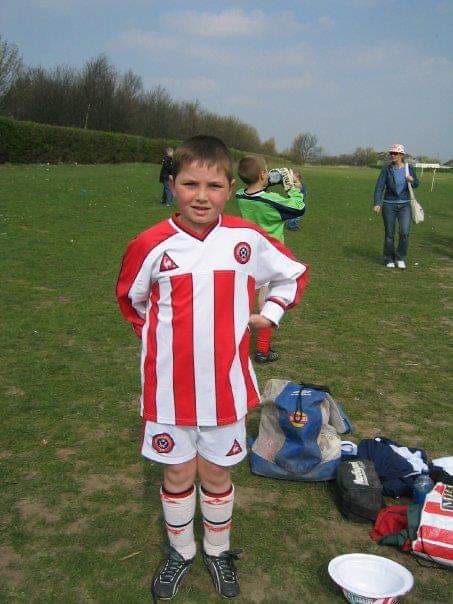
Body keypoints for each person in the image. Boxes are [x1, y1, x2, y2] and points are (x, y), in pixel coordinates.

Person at [116, 136, 309, 600]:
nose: (201, 196)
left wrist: (272, 311)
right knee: (178, 476)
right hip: (169, 394)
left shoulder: (245, 239)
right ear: (172, 184)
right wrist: (168, 342)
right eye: (189, 184)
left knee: (217, 477)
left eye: (214, 185)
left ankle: (217, 550)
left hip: (226, 389)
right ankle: (181, 552)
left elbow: (292, 273)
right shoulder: (149, 244)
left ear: (229, 190)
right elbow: (132, 301)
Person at [236, 155, 306, 363]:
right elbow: (297, 208)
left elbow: (257, 192)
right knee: (266, 302)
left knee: (246, 300)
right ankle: (262, 350)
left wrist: (269, 179)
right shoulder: (270, 201)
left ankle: (236, 341)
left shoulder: (241, 195)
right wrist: (294, 187)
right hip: (269, 256)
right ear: (261, 174)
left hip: (248, 254)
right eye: (266, 171)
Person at [373, 143, 419, 269]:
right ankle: (389, 258)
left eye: (395, 153)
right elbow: (379, 187)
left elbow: (416, 184)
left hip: (405, 205)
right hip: (389, 205)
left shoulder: (409, 168)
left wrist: (412, 180)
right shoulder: (386, 169)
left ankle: (400, 257)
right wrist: (377, 202)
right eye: (391, 153)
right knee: (389, 234)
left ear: (401, 155)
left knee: (404, 232)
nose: (392, 155)